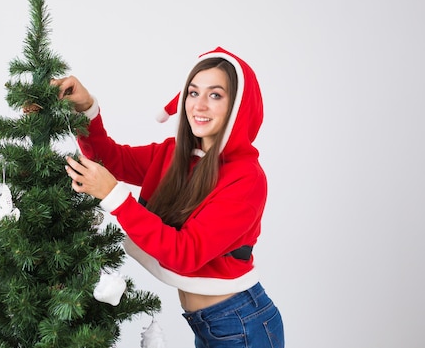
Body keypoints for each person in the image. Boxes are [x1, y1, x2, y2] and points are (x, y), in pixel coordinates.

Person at [54, 46, 284, 348]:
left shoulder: (247, 178)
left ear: (238, 106)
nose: (199, 106)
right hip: (211, 324)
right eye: (192, 93)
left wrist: (114, 196)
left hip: (242, 324)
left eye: (215, 95)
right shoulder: (176, 155)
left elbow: (185, 253)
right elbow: (111, 160)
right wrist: (86, 109)